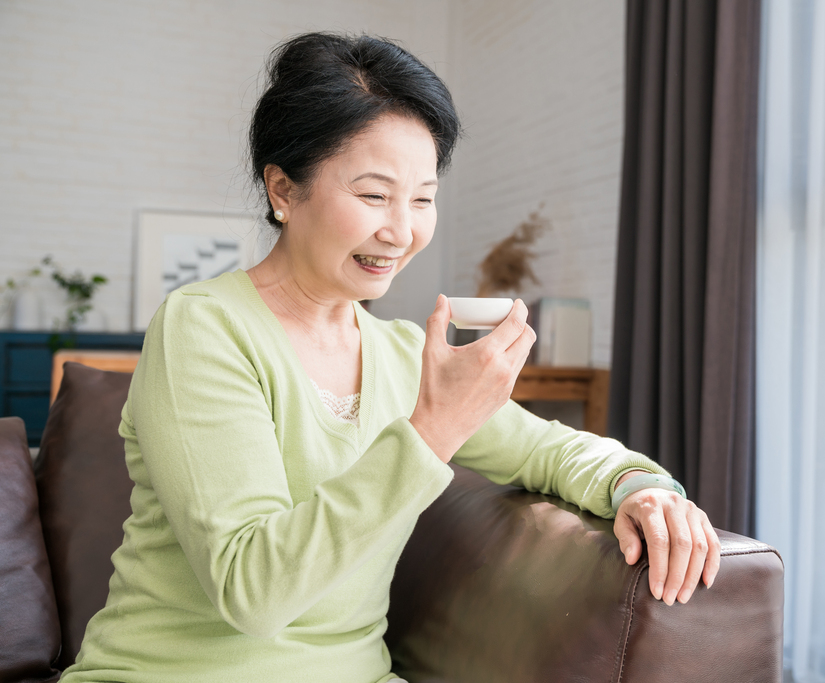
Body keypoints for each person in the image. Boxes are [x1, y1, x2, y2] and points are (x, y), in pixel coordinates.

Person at [60, 32, 720, 683]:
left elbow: (553, 451)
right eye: (374, 195)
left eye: (423, 198)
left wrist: (644, 487)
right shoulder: (203, 328)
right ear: (284, 190)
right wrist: (431, 432)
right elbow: (251, 589)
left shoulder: (403, 355)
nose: (401, 230)